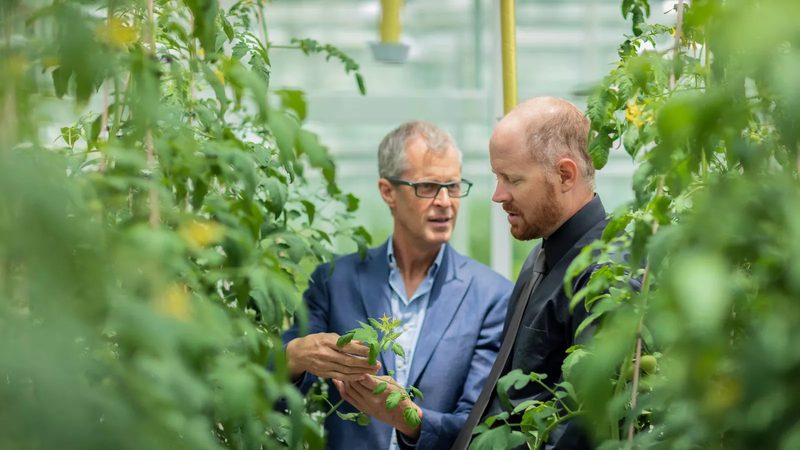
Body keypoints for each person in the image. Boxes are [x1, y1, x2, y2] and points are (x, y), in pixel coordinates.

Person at [283, 121, 512, 450]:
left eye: (453, 185)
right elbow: (272, 401)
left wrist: (407, 418)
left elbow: (482, 429)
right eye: (429, 187)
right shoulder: (335, 281)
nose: (445, 201)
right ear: (388, 191)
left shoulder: (492, 296)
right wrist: (294, 356)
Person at [452, 97, 607, 450]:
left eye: (512, 179)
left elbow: (579, 427)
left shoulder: (603, 275)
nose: (497, 195)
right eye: (496, 177)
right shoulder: (540, 256)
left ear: (565, 175)